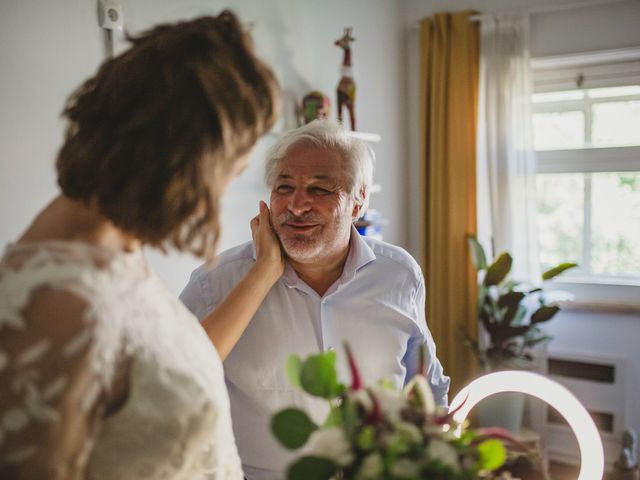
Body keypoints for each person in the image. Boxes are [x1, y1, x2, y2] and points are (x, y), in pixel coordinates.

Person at [0, 11, 284, 480]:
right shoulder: (55, 305)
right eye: (231, 173)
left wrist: (264, 271)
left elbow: (156, 368)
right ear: (188, 161)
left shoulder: (111, 253)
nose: (221, 196)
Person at [180, 119, 451, 480]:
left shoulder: (399, 275)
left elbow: (425, 384)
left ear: (358, 202)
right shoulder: (215, 283)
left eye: (320, 190)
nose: (296, 205)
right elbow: (170, 386)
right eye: (284, 186)